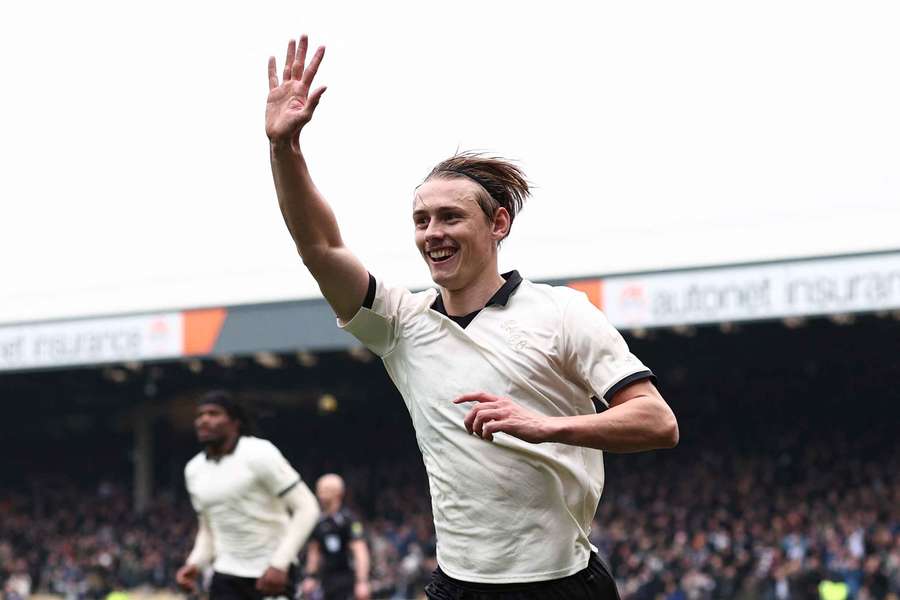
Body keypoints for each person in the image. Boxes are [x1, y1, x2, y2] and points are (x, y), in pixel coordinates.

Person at [265, 35, 679, 599]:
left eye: (450, 217)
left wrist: (545, 427)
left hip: (561, 584)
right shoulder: (399, 324)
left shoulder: (561, 313)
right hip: (457, 586)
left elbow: (658, 423)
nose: (432, 232)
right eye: (421, 220)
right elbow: (319, 246)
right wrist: (284, 149)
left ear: (498, 224)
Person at [176, 390, 321, 600]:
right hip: (226, 575)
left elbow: (307, 507)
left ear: (235, 422)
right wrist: (195, 563)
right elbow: (208, 528)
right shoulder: (194, 470)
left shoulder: (259, 454)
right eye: (200, 415)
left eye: (213, 413)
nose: (204, 420)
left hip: (271, 575)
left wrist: (280, 564)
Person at [300, 474, 370, 600]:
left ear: (338, 493)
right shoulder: (318, 522)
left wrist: (362, 582)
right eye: (319, 489)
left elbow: (360, 552)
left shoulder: (349, 520)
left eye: (325, 490)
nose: (320, 494)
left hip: (348, 579)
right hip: (327, 580)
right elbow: (314, 552)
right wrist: (310, 577)